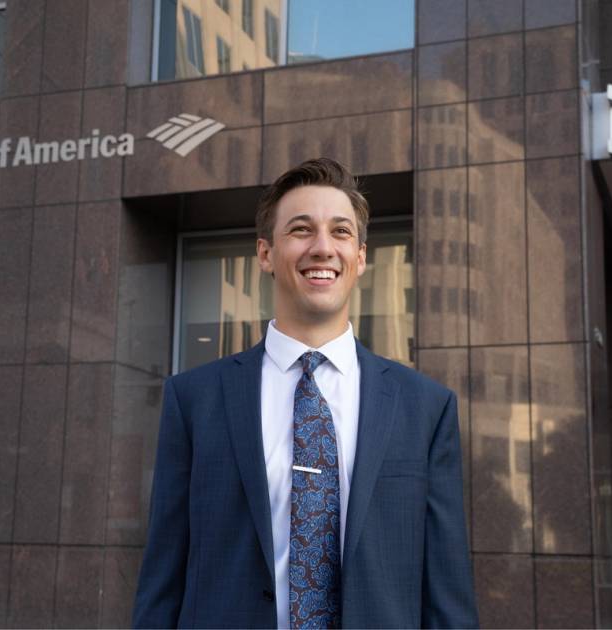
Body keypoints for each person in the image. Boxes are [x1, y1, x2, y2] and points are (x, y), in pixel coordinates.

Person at [133, 158, 478, 628]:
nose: (322, 248)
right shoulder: (193, 400)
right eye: (300, 230)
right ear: (266, 254)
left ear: (359, 257)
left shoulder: (426, 408)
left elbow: (447, 594)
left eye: (340, 232)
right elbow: (163, 580)